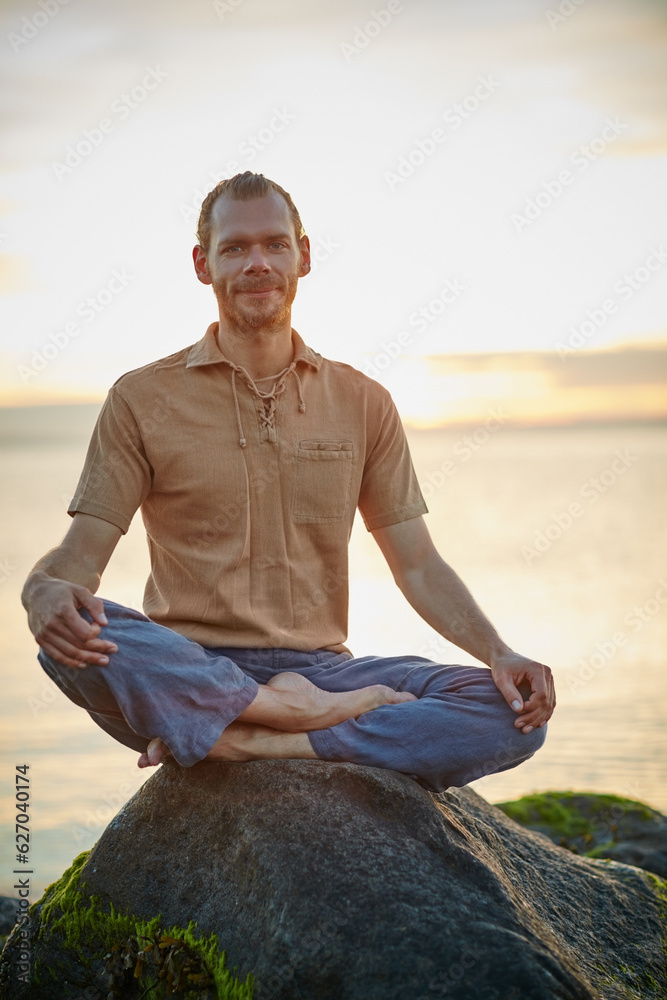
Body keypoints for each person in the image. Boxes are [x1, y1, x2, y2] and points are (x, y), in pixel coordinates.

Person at [21, 172, 554, 792]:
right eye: (235, 247)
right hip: (191, 663)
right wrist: (41, 591)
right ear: (203, 263)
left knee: (508, 710)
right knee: (71, 640)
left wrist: (499, 653)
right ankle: (284, 715)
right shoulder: (142, 399)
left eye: (275, 245)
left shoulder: (363, 401)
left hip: (324, 673)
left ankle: (248, 740)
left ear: (304, 255)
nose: (258, 263)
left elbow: (419, 567)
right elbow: (83, 555)